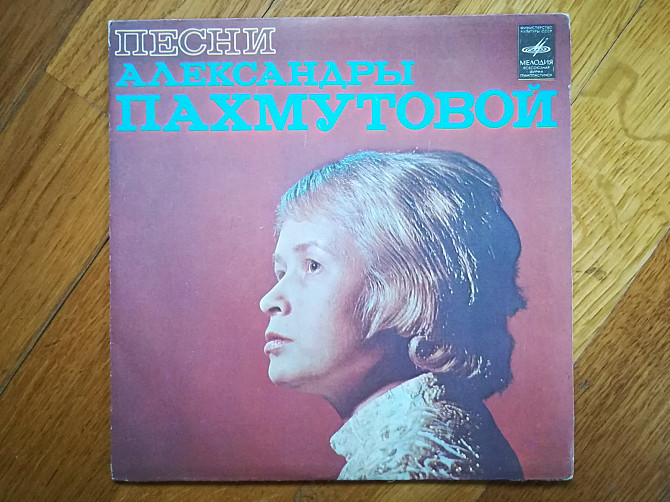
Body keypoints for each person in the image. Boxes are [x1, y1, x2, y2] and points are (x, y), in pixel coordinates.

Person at [259, 150, 525, 480]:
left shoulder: (411, 461)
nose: (269, 301)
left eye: (313, 265)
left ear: (408, 287)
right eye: (280, 272)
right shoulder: (428, 437)